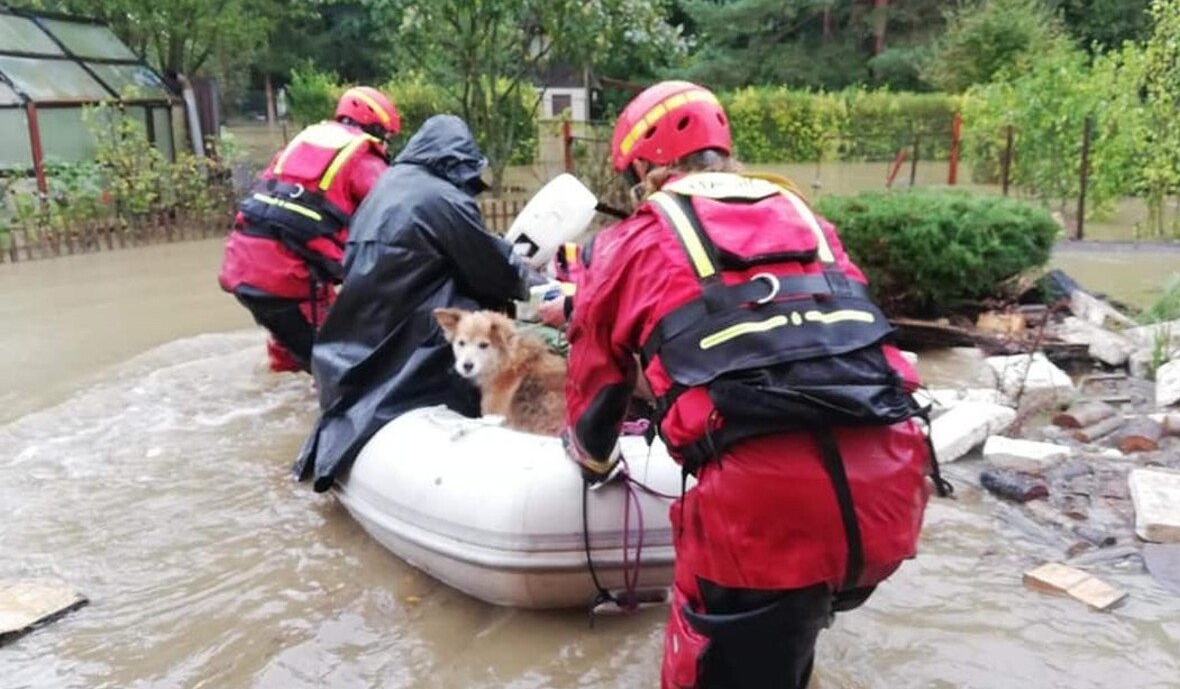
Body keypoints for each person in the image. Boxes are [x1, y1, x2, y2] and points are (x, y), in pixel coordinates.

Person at [557, 80, 951, 689]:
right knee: (785, 639)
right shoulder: (809, 221)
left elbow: (594, 397)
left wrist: (593, 459)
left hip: (763, 513)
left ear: (641, 164)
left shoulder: (632, 240)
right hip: (890, 497)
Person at [293, 114, 537, 493]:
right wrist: (533, 281)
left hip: (357, 347)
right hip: (414, 345)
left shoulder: (384, 187)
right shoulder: (442, 199)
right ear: (456, 163)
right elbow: (495, 272)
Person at [218, 86, 401, 373]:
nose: (387, 145)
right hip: (293, 279)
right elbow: (397, 210)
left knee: (291, 351)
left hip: (244, 269)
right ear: (376, 128)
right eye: (388, 137)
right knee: (343, 365)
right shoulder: (363, 157)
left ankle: (285, 385)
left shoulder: (300, 143)